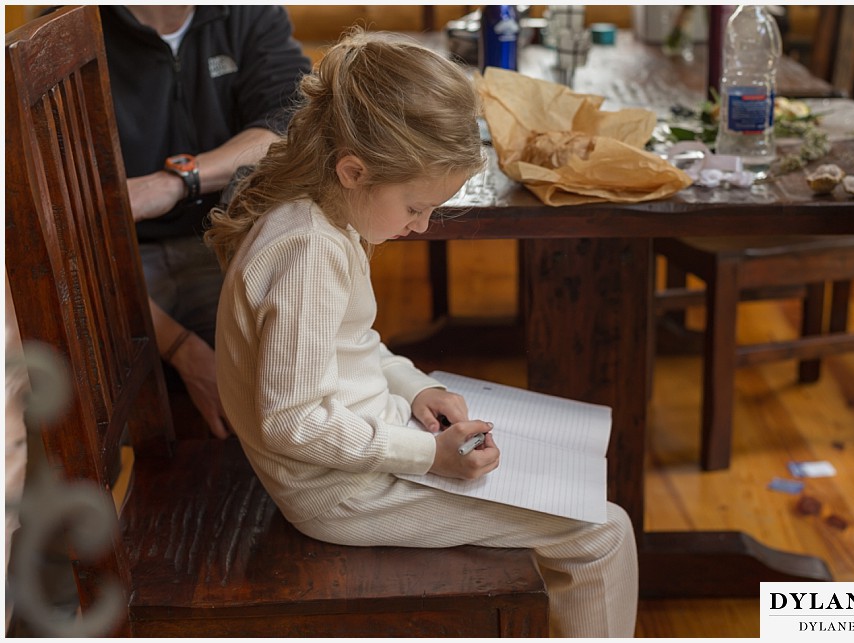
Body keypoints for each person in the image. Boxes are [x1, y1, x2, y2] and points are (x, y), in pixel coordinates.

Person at [204, 31, 639, 637]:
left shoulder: (326, 213)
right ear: (354, 170)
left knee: (573, 479)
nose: (422, 225)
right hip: (340, 492)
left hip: (363, 451)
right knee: (603, 532)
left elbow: (350, 344)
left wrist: (412, 388)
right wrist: (427, 457)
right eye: (415, 206)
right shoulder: (307, 249)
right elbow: (292, 422)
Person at [100, 6, 312, 437]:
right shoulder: (72, 27)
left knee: (290, 372)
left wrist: (177, 182)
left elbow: (290, 127)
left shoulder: (248, 15)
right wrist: (181, 349)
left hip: (223, 241)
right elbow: (67, 238)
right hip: (113, 261)